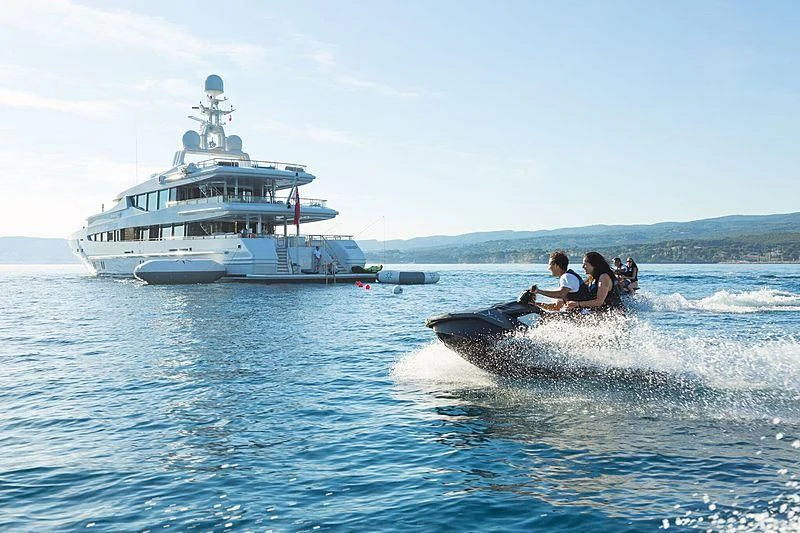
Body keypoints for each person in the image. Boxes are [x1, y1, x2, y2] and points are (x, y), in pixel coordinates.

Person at [527, 251, 591, 312]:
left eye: (550, 265)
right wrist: (535, 304)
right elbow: (556, 307)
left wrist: (538, 291)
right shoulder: (568, 279)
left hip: (584, 313)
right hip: (581, 314)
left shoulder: (567, 277)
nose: (549, 268)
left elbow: (561, 294)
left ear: (556, 265)